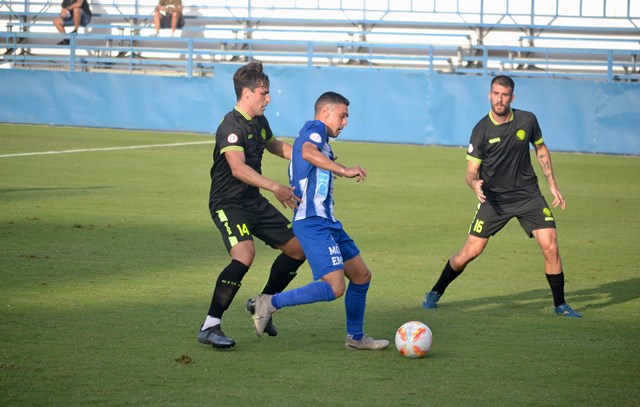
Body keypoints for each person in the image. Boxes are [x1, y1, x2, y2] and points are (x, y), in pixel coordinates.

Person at [421, 75, 582, 318]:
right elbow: (470, 172)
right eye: (496, 94)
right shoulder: (481, 130)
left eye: (505, 95)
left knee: (551, 247)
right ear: (489, 95)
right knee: (470, 252)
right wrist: (474, 183)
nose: (500, 99)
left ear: (512, 97)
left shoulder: (528, 120)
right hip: (494, 200)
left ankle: (560, 305)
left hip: (528, 196)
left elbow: (540, 148)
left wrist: (552, 184)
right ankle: (435, 291)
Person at [250, 91, 390, 350]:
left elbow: (312, 159)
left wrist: (330, 167)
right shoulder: (315, 128)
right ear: (325, 112)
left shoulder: (324, 143)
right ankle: (269, 303)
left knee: (361, 276)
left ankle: (356, 338)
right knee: (335, 287)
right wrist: (344, 170)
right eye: (342, 115)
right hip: (312, 221)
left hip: (328, 221)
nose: (345, 122)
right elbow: (305, 151)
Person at [197, 61, 306, 349]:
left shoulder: (258, 121)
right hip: (228, 202)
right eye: (264, 93)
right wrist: (275, 187)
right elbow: (237, 168)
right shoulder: (230, 126)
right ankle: (210, 325)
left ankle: (264, 304)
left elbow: (275, 146)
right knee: (244, 254)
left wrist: (309, 155)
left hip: (252, 201)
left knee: (298, 249)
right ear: (247, 93)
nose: (268, 99)